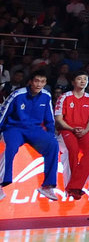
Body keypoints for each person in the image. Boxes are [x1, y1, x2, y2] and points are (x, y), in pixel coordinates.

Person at [0, 70, 59, 201]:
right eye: (37, 81)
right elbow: (3, 113)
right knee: (11, 147)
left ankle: (47, 186)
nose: (39, 84)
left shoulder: (46, 95)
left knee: (53, 145)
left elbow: (49, 119)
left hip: (35, 130)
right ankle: (1, 183)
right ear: (30, 82)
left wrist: (50, 135)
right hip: (15, 128)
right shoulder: (17, 94)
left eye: (42, 82)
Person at [54, 71, 89, 199]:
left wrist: (85, 131)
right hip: (67, 130)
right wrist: (72, 128)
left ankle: (75, 186)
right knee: (73, 150)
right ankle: (72, 188)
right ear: (73, 82)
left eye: (85, 79)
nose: (83, 81)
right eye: (79, 79)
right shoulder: (64, 97)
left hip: (84, 131)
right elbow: (59, 119)